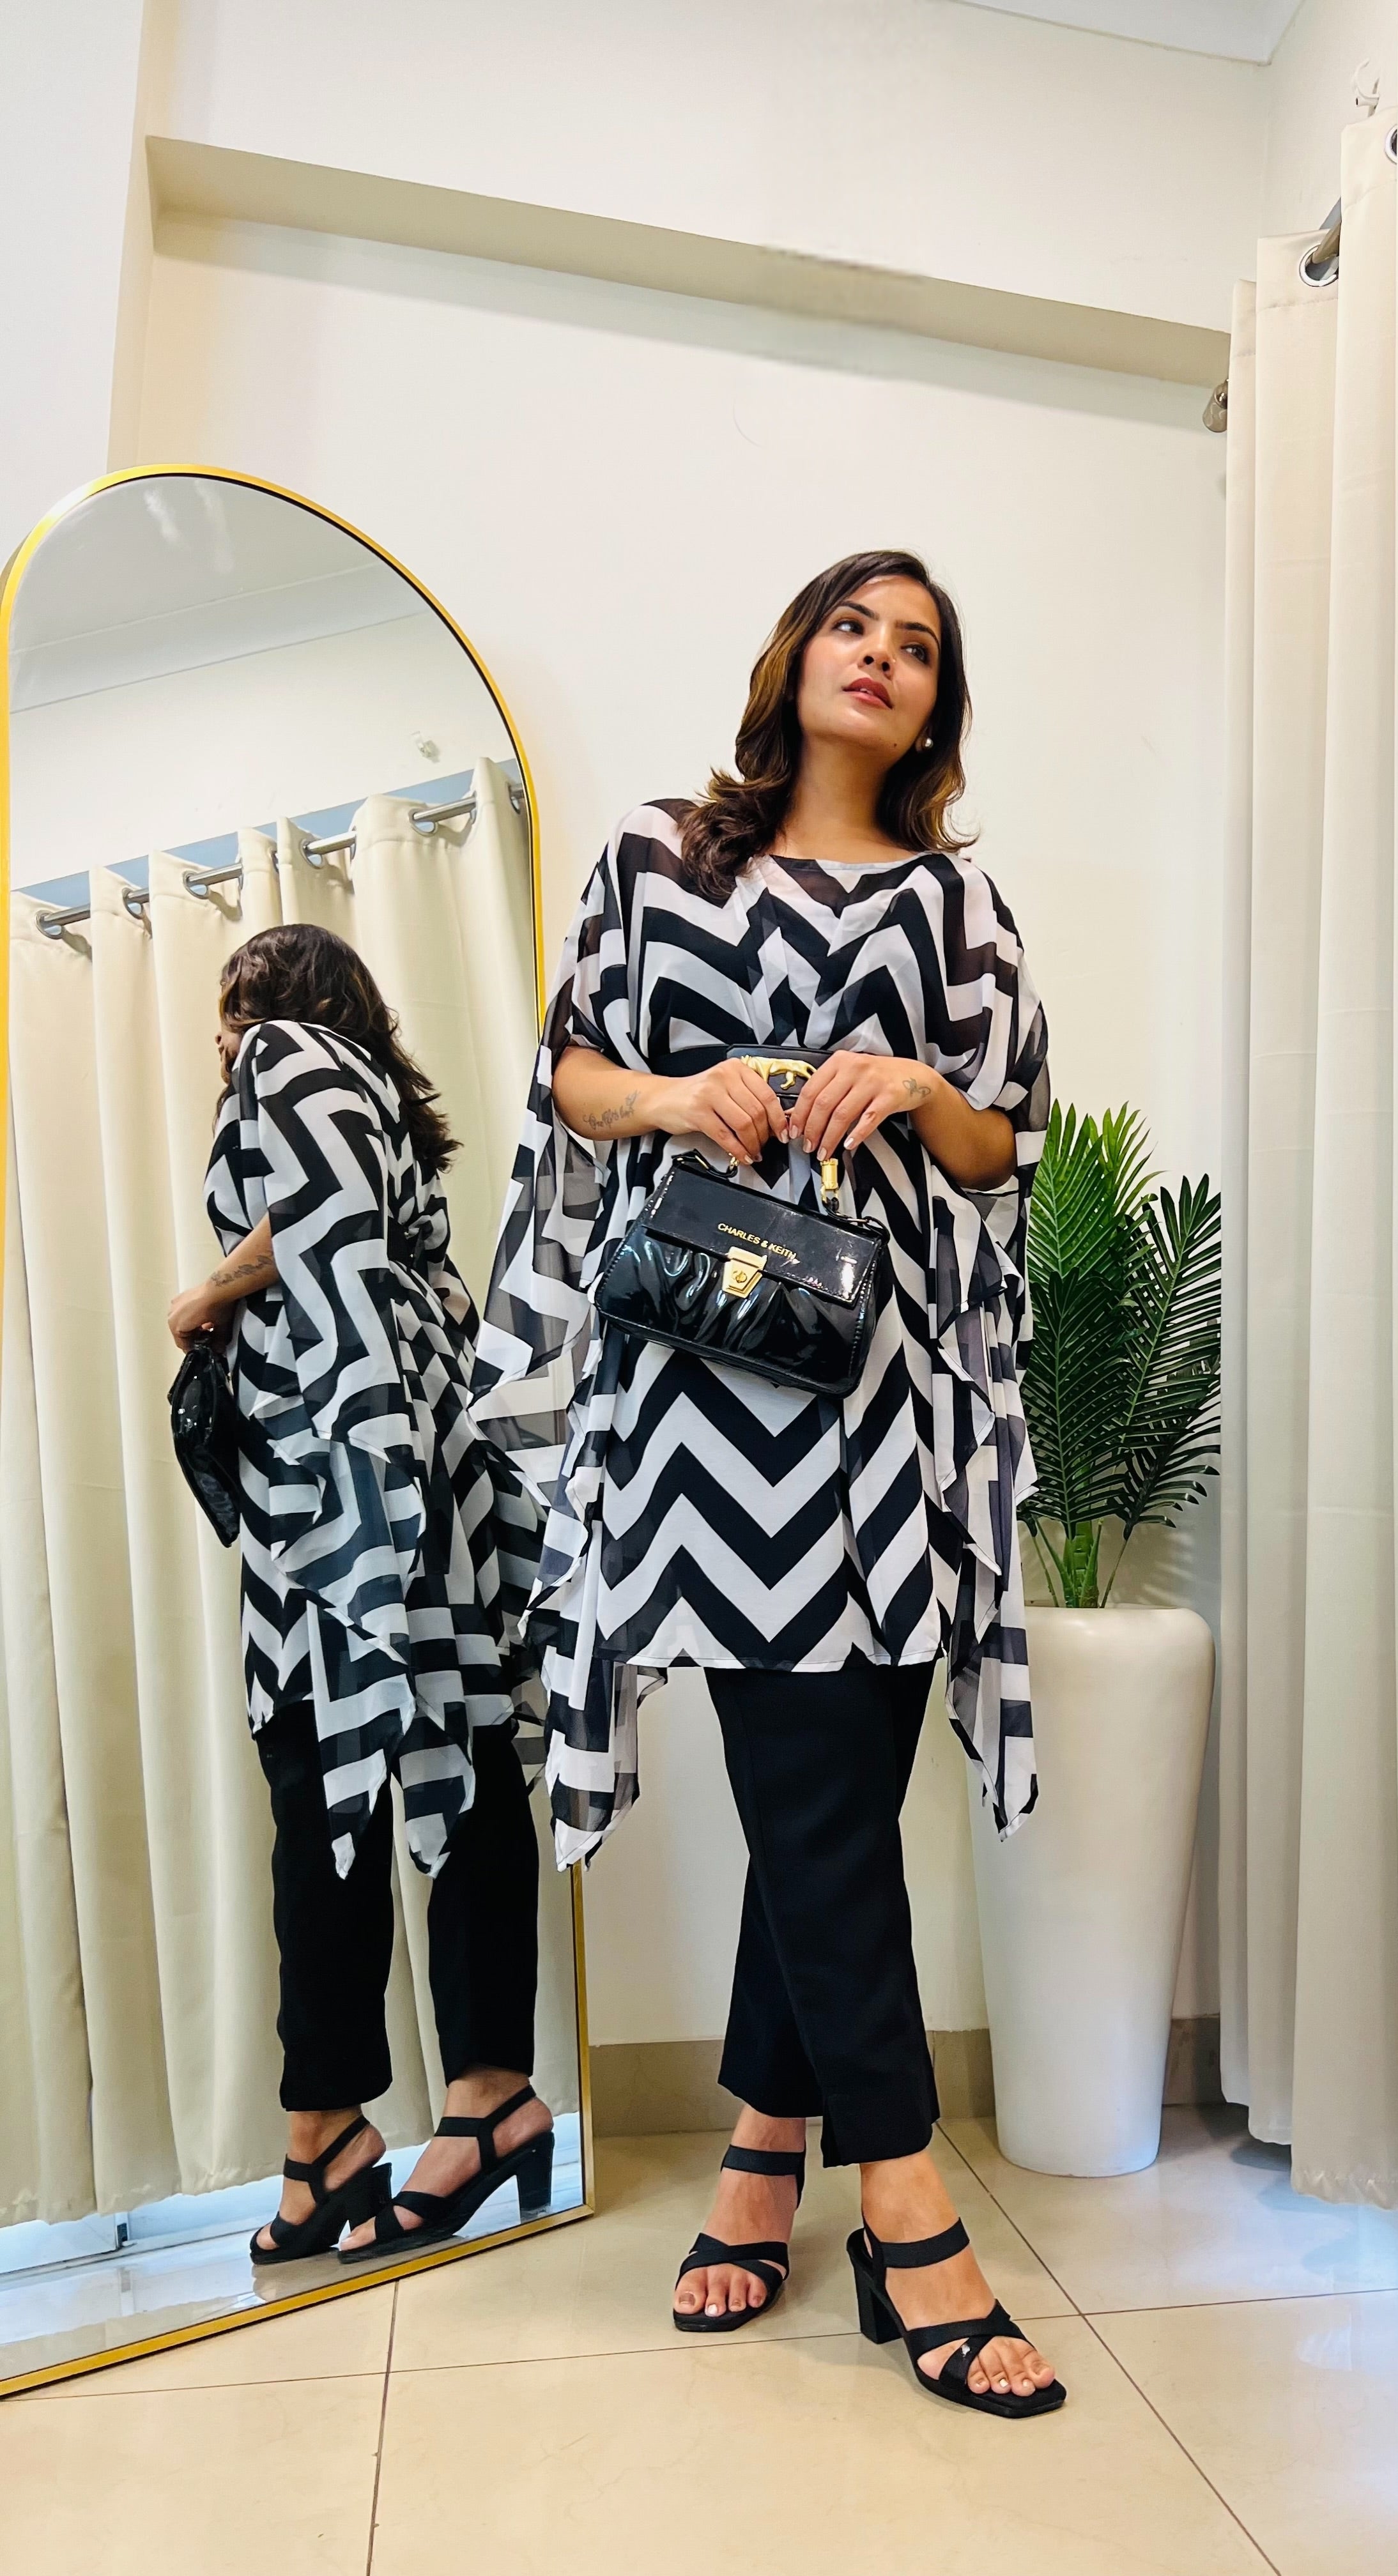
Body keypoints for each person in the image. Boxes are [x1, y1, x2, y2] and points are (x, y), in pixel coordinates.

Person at [475, 549, 1062, 2416]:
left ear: (936, 704)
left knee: (831, 1804)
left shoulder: (958, 907)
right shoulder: (664, 858)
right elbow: (571, 1074)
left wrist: (914, 1093)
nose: (880, 658)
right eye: (852, 627)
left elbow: (1002, 1141)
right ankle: (905, 2206)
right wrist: (680, 1096)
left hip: (891, 1401)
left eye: (918, 647)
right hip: (707, 1401)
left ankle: (756, 2147)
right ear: (794, 653)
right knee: (814, 1795)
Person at [168, 924, 555, 2263]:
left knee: (326, 1772)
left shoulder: (289, 1057)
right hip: (400, 1446)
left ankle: (346, 2123)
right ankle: (464, 2098)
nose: (225, 1036)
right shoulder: (375, 1093)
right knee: (453, 1746)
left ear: (286, 1002)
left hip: (351, 1466)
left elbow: (321, 1222)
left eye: (235, 1005)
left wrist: (208, 1292)